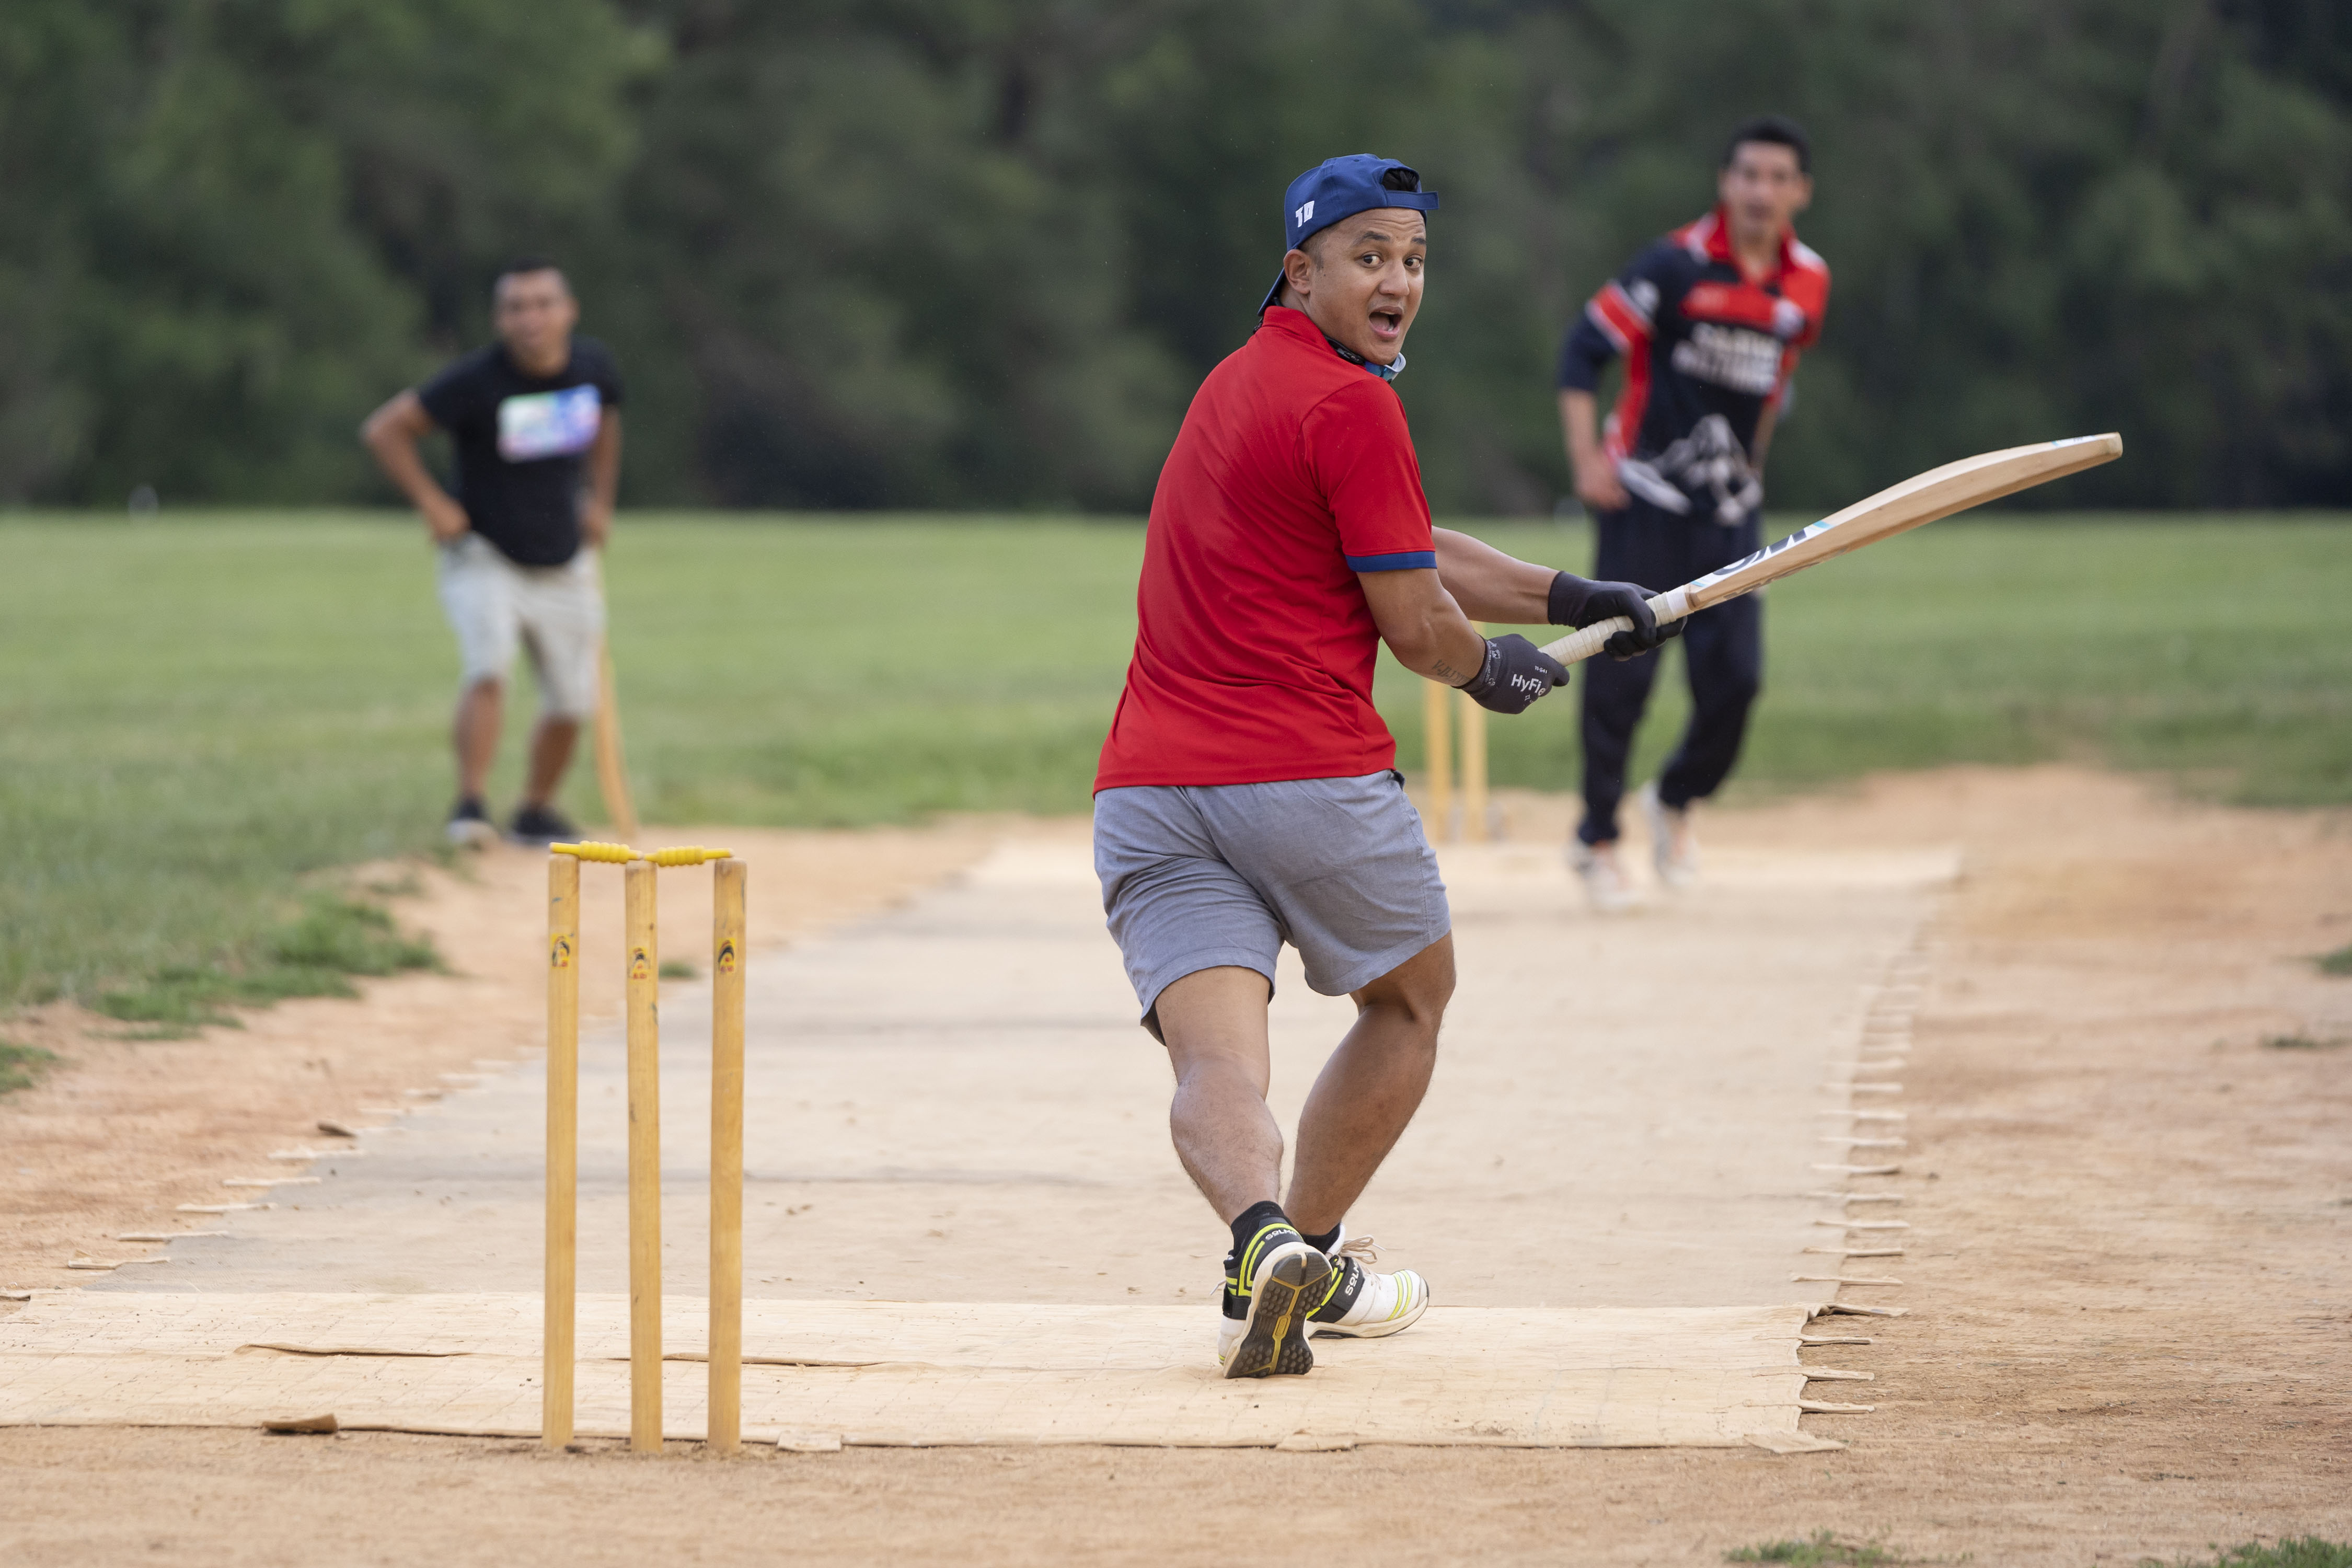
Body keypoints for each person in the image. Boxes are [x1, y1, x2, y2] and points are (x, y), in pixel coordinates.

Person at [1092, 155, 1674, 1379]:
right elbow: (1414, 623)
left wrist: (1568, 593)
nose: (1396, 279)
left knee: (1213, 1060)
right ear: (1299, 272)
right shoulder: (1352, 406)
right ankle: (1309, 1240)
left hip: (1146, 790)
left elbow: (1405, 546)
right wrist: (1487, 671)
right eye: (1366, 256)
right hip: (1302, 777)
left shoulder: (1237, 385)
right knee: (1408, 1000)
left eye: (1411, 258)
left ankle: (1264, 1249)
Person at [1555, 116, 1830, 910]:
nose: (1762, 191)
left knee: (1736, 682)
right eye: (1749, 175)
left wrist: (1755, 472)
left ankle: (1674, 799)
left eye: (1780, 178)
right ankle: (1597, 838)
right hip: (1644, 498)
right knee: (1621, 678)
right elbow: (1582, 351)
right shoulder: (1672, 265)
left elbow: (1773, 385)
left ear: (1800, 192)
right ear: (1726, 182)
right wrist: (1586, 464)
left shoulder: (1807, 281)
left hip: (1728, 512)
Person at [361, 259, 624, 847]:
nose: (530, 319)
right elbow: (386, 430)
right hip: (486, 554)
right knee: (489, 670)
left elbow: (606, 424)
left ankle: (534, 810)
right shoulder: (475, 381)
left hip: (565, 557)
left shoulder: (592, 369)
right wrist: (434, 504)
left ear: (569, 311)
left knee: (573, 700)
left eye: (542, 304)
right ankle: (471, 806)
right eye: (516, 307)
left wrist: (601, 502)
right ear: (499, 319)